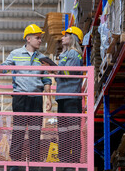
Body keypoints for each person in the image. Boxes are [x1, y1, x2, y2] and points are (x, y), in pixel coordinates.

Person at [2, 24, 52, 171]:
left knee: (36, 131)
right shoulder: (15, 53)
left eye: (41, 38)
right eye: (38, 38)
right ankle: (15, 162)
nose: (40, 41)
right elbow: (4, 67)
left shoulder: (42, 58)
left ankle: (34, 162)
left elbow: (47, 79)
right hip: (20, 97)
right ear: (28, 39)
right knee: (18, 130)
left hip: (36, 98)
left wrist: (48, 99)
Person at [55, 26, 84, 170]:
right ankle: (65, 162)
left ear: (72, 38)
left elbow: (69, 73)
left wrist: (55, 68)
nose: (62, 38)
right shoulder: (65, 54)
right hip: (62, 97)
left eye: (65, 35)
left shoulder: (75, 54)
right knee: (63, 131)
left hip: (71, 97)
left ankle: (73, 162)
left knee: (73, 130)